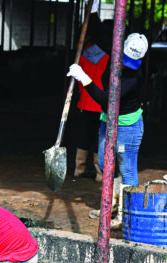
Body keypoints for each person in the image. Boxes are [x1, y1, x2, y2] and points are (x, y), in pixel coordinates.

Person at [68, 14, 148, 229]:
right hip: (108, 121)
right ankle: (111, 205)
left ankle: (129, 216)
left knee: (128, 169)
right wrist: (92, 12)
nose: (126, 65)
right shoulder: (115, 54)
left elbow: (105, 99)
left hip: (127, 128)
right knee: (104, 163)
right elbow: (100, 35)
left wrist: (84, 78)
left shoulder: (133, 78)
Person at [72, 34, 109, 185]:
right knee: (100, 138)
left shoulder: (82, 55)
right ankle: (100, 174)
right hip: (101, 103)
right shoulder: (109, 56)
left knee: (85, 135)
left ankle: (78, 170)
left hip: (86, 103)